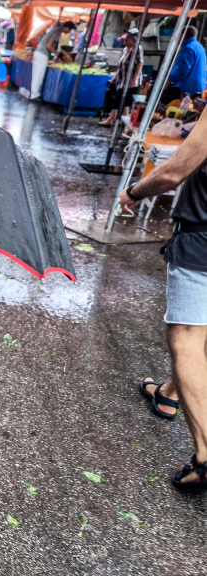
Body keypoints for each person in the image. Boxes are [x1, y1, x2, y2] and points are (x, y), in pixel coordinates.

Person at [119, 111, 207, 495]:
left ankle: (205, 458)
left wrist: (133, 192)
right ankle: (169, 394)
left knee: (186, 338)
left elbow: (175, 170)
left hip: (203, 239)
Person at [98, 29, 143, 127]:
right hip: (123, 80)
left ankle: (111, 120)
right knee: (125, 101)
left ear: (133, 40)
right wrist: (115, 77)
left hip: (131, 81)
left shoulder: (137, 48)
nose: (125, 40)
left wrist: (134, 79)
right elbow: (121, 65)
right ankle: (123, 120)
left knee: (120, 99)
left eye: (127, 38)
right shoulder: (125, 50)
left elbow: (140, 63)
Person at [31, 21, 76, 102]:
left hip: (39, 53)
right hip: (42, 54)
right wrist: (57, 54)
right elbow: (49, 46)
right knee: (39, 75)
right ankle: (35, 95)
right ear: (67, 28)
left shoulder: (55, 30)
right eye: (70, 30)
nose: (69, 32)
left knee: (36, 74)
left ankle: (34, 94)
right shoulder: (57, 32)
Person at [165, 26, 207, 104]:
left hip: (187, 88)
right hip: (199, 87)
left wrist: (169, 79)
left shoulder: (188, 48)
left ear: (183, 35)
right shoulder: (199, 46)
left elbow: (182, 70)